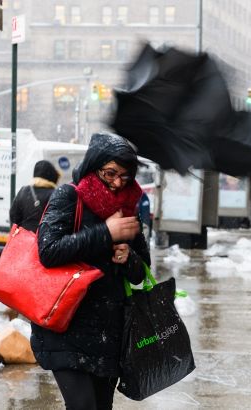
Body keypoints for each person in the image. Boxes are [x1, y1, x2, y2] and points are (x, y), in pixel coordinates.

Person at [34, 133, 150, 410]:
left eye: (125, 175)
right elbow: (48, 251)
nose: (117, 182)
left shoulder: (128, 209)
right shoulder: (69, 196)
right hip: (67, 324)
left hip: (108, 332)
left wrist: (129, 257)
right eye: (110, 173)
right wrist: (105, 233)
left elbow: (142, 272)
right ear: (94, 167)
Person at [9, 160, 60, 232]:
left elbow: (14, 216)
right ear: (52, 176)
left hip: (24, 239)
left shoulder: (24, 191)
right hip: (43, 239)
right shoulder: (55, 194)